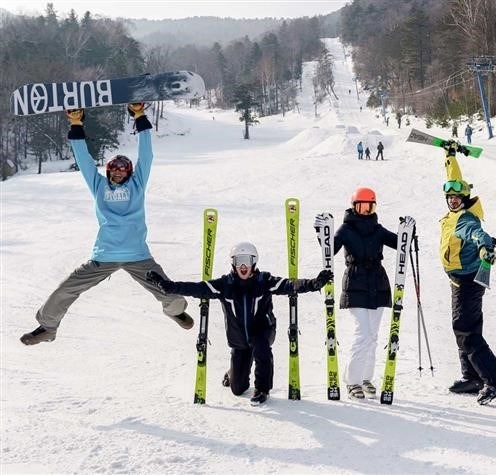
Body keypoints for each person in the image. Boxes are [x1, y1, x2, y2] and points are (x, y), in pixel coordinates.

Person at [20, 104, 192, 346]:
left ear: (130, 173)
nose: (119, 174)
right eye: (114, 170)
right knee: (67, 288)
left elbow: (147, 155)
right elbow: (84, 159)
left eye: (123, 170)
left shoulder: (137, 185)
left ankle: (175, 311)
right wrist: (76, 124)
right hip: (103, 256)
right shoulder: (99, 186)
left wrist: (140, 117)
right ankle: (48, 327)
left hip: (138, 256)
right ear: (109, 171)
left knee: (169, 291)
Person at [147, 242, 333, 405]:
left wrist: (313, 284)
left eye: (247, 260)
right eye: (238, 261)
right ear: (233, 263)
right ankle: (232, 373)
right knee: (237, 388)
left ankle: (262, 389)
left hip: (262, 330)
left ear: (254, 262)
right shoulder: (224, 285)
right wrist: (170, 286)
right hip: (239, 341)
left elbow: (290, 285)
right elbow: (198, 288)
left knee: (261, 348)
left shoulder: (264, 281)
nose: (243, 265)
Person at [439, 141, 496, 405]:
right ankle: (472, 377)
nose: (453, 201)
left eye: (458, 198)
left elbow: (477, 234)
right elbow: (455, 179)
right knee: (463, 328)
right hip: (459, 281)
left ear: (466, 199)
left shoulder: (466, 219)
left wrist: (484, 247)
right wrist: (450, 156)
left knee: (467, 332)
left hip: (467, 282)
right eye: (450, 198)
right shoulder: (455, 211)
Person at [314, 188, 406, 399]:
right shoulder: (346, 229)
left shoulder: (378, 229)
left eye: (370, 207)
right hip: (356, 284)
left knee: (372, 336)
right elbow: (330, 249)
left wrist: (408, 231)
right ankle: (352, 380)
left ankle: (366, 378)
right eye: (362, 206)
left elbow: (401, 243)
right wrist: (322, 233)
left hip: (378, 284)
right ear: (354, 206)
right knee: (362, 334)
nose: (366, 211)